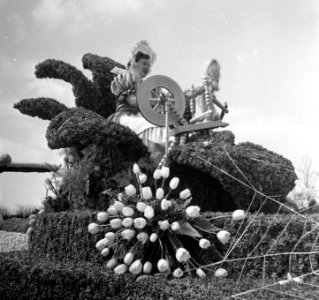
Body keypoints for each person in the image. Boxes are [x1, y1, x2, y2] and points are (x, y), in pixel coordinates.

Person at [109, 40, 166, 159]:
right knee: (148, 126)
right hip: (126, 116)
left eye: (148, 65)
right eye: (144, 63)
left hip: (144, 117)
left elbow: (157, 110)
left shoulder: (150, 86)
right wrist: (156, 101)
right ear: (135, 63)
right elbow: (132, 101)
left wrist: (163, 103)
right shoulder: (125, 78)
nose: (147, 67)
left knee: (164, 127)